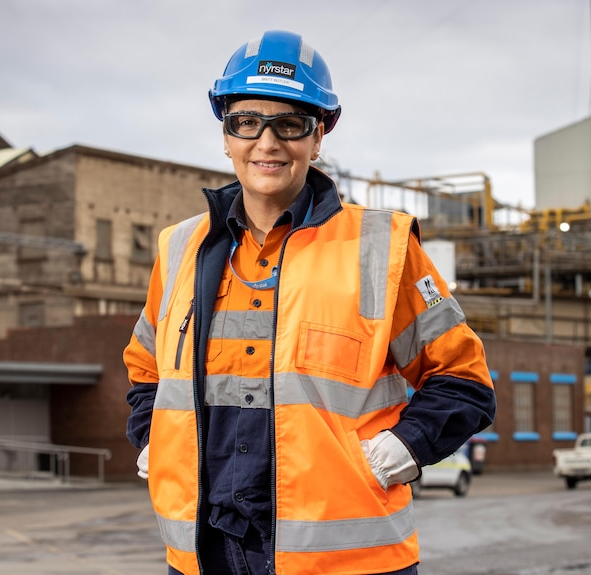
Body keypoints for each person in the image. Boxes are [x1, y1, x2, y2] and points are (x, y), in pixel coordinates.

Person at [123, 30, 496, 575]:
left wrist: (404, 449)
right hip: (205, 554)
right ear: (225, 134)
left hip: (347, 560)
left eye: (290, 124)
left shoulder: (381, 248)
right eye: (247, 122)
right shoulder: (180, 248)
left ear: (318, 136)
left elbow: (465, 380)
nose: (267, 143)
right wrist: (151, 436)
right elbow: (145, 370)